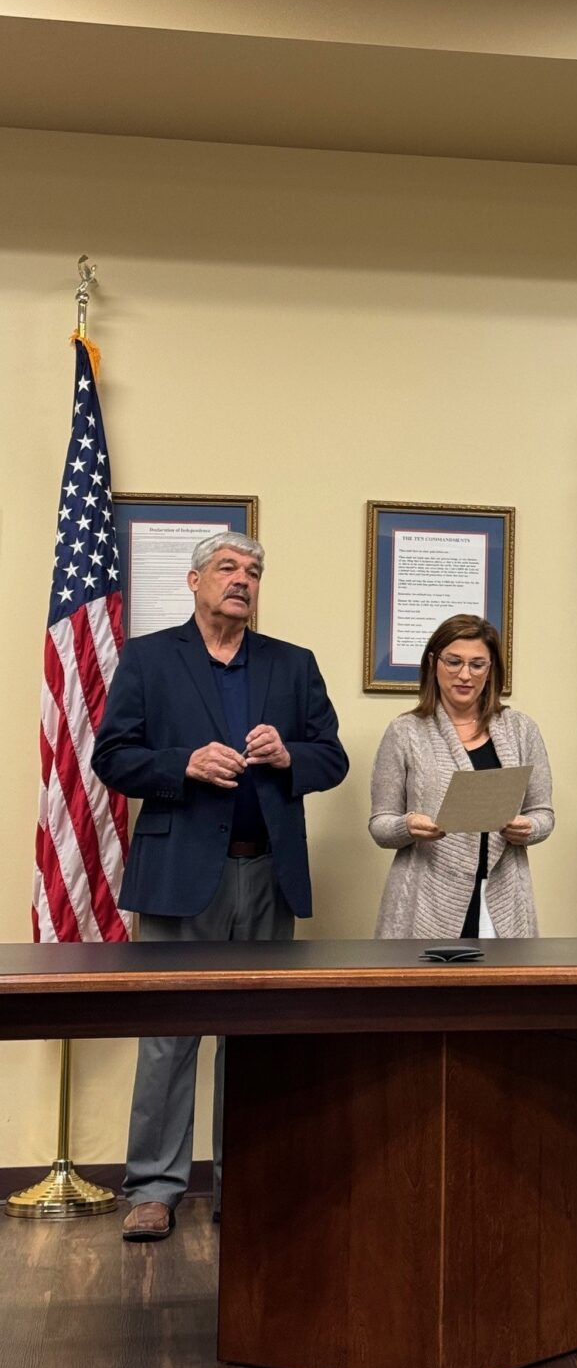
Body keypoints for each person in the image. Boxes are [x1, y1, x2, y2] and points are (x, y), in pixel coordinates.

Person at [92, 531, 348, 1241]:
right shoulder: (149, 659)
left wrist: (289, 755)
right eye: (228, 567)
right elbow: (112, 756)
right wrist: (182, 764)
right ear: (195, 580)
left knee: (256, 1037)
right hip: (180, 877)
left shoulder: (293, 664)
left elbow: (332, 758)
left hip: (267, 873)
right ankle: (154, 1189)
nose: (242, 579)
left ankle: (248, 1181)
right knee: (169, 1037)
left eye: (254, 571)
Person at [370, 614, 553, 938]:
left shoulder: (521, 730)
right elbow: (380, 824)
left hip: (503, 899)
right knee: (420, 974)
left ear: (491, 669)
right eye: (453, 662)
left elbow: (543, 813)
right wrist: (407, 826)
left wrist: (529, 827)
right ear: (433, 662)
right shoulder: (404, 731)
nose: (465, 675)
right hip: (424, 901)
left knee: (506, 974)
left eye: (477, 665)